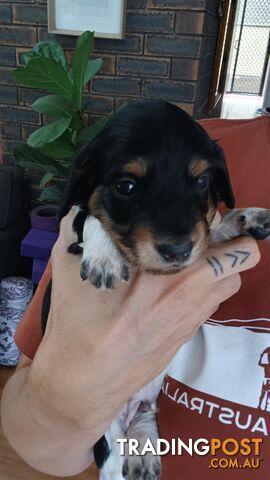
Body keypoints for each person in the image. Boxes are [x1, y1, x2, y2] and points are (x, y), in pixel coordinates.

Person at [1, 116, 270, 480]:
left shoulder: (200, 152)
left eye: (201, 181)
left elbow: (201, 242)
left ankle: (139, 435)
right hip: (99, 408)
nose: (175, 239)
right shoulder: (96, 209)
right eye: (127, 184)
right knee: (117, 460)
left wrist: (224, 226)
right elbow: (81, 220)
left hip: (151, 395)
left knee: (144, 422)